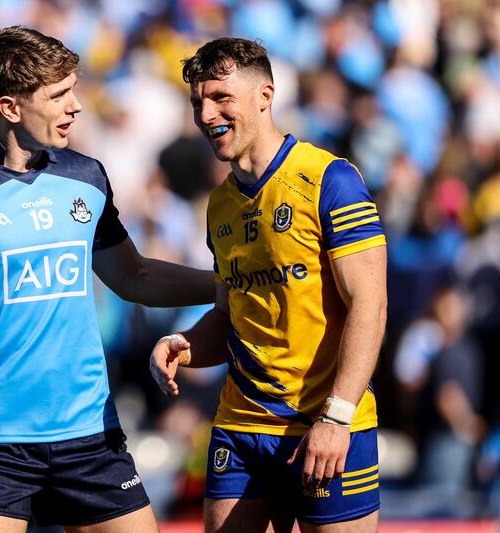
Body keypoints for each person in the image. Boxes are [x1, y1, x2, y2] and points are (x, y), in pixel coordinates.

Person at [0, 26, 214, 533]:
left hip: (90, 433)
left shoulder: (86, 177)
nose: (76, 105)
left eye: (73, 88)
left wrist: (229, 283)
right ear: (10, 107)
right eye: (58, 95)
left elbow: (135, 276)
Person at [149, 38, 388, 532]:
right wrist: (186, 345)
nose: (206, 113)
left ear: (265, 95)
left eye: (221, 97)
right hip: (241, 425)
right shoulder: (219, 205)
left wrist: (337, 416)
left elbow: (371, 305)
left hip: (325, 424)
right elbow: (229, 313)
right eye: (198, 101)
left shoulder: (329, 179)